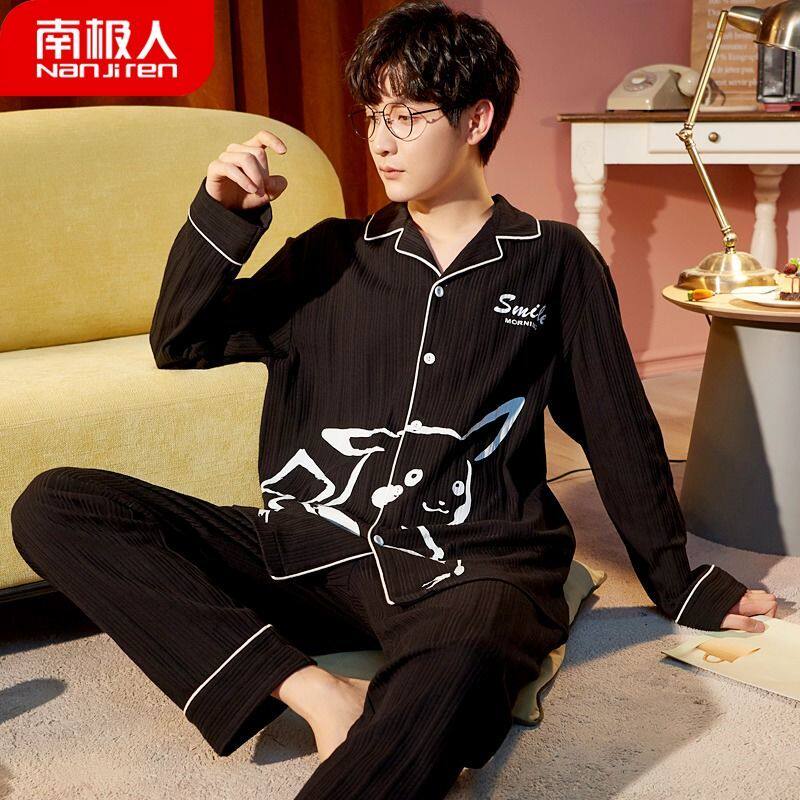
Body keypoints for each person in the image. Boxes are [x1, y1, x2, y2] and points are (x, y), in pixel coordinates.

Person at [11, 1, 778, 798]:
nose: (380, 139)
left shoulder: (554, 260)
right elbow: (180, 341)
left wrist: (678, 581)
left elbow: (618, 429)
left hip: (468, 564)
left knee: (459, 667)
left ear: (476, 118)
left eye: (407, 115)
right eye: (374, 114)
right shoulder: (328, 257)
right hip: (308, 548)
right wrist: (223, 217)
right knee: (57, 505)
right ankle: (316, 691)